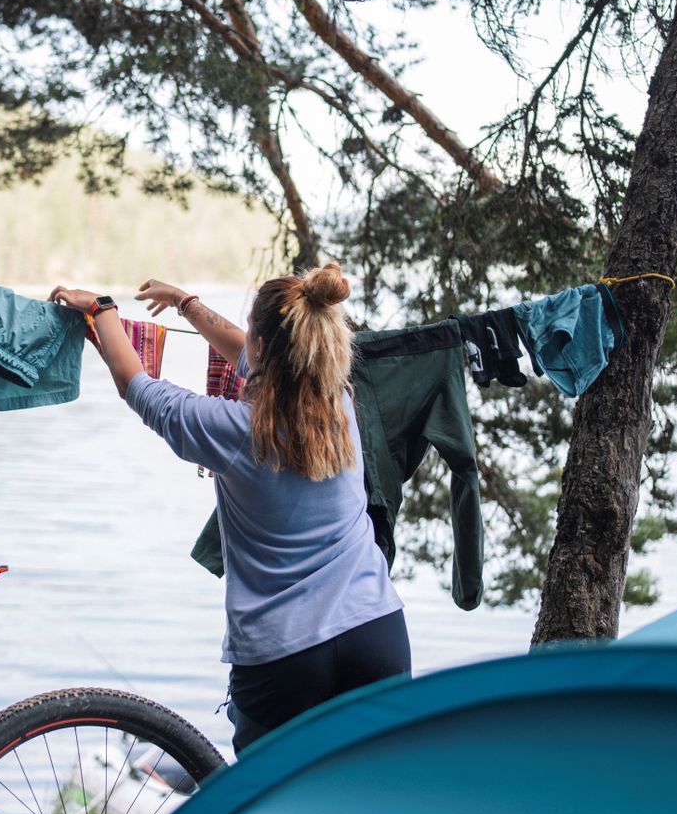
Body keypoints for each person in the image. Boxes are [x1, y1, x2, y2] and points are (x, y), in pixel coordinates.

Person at [49, 265, 409, 755]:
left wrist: (101, 309)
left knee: (271, 811)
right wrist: (184, 303)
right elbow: (255, 352)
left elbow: (134, 383)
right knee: (372, 801)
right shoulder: (340, 403)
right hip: (376, 633)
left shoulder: (235, 430)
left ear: (261, 349)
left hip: (286, 654)